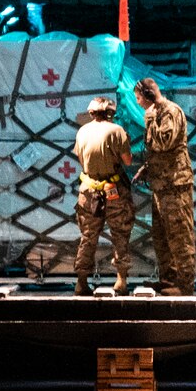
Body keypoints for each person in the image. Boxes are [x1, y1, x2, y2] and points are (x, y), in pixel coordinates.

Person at [132, 76, 195, 294]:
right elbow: (155, 149)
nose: (138, 103)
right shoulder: (157, 113)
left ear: (148, 95)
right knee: (162, 238)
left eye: (139, 98)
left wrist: (150, 120)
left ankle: (185, 285)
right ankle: (169, 279)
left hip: (175, 185)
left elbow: (165, 142)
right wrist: (146, 169)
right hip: (161, 185)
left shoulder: (170, 112)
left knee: (180, 236)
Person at [71, 95, 134, 295]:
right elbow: (128, 161)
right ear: (111, 112)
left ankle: (81, 283)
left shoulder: (82, 131)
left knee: (88, 236)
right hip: (113, 189)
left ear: (91, 112)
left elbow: (80, 158)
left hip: (88, 191)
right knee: (120, 234)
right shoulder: (117, 131)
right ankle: (121, 281)